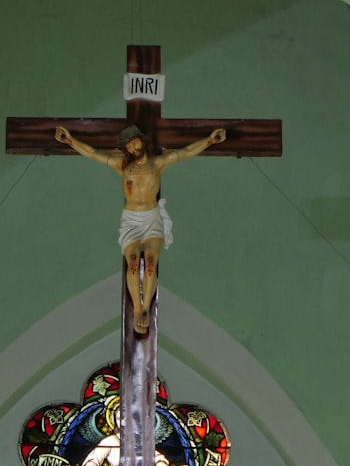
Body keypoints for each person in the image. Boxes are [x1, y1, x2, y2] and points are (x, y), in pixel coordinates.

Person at [55, 124, 227, 334]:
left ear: (142, 141)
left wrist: (210, 141)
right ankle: (137, 308)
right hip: (131, 221)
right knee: (134, 261)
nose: (132, 147)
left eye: (134, 142)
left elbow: (186, 152)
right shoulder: (123, 166)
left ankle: (146, 308)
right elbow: (93, 153)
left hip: (152, 218)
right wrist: (70, 141)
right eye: (127, 146)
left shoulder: (157, 165)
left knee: (152, 261)